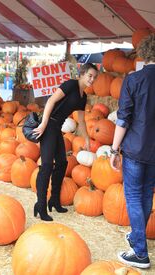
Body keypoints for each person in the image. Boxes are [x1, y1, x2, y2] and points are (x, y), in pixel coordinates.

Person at [110, 33, 155, 269]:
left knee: (134, 197)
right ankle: (137, 237)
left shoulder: (133, 79)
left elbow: (123, 118)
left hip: (135, 148)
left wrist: (113, 149)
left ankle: (139, 252)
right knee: (146, 195)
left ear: (143, 53)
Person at [32, 63, 98, 221]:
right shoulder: (70, 85)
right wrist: (43, 124)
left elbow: (81, 121)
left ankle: (54, 199)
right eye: (90, 75)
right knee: (47, 165)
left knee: (62, 162)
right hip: (49, 126)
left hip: (57, 128)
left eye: (95, 77)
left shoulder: (83, 96)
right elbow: (50, 101)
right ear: (81, 74)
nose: (92, 79)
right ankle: (40, 205)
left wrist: (87, 138)